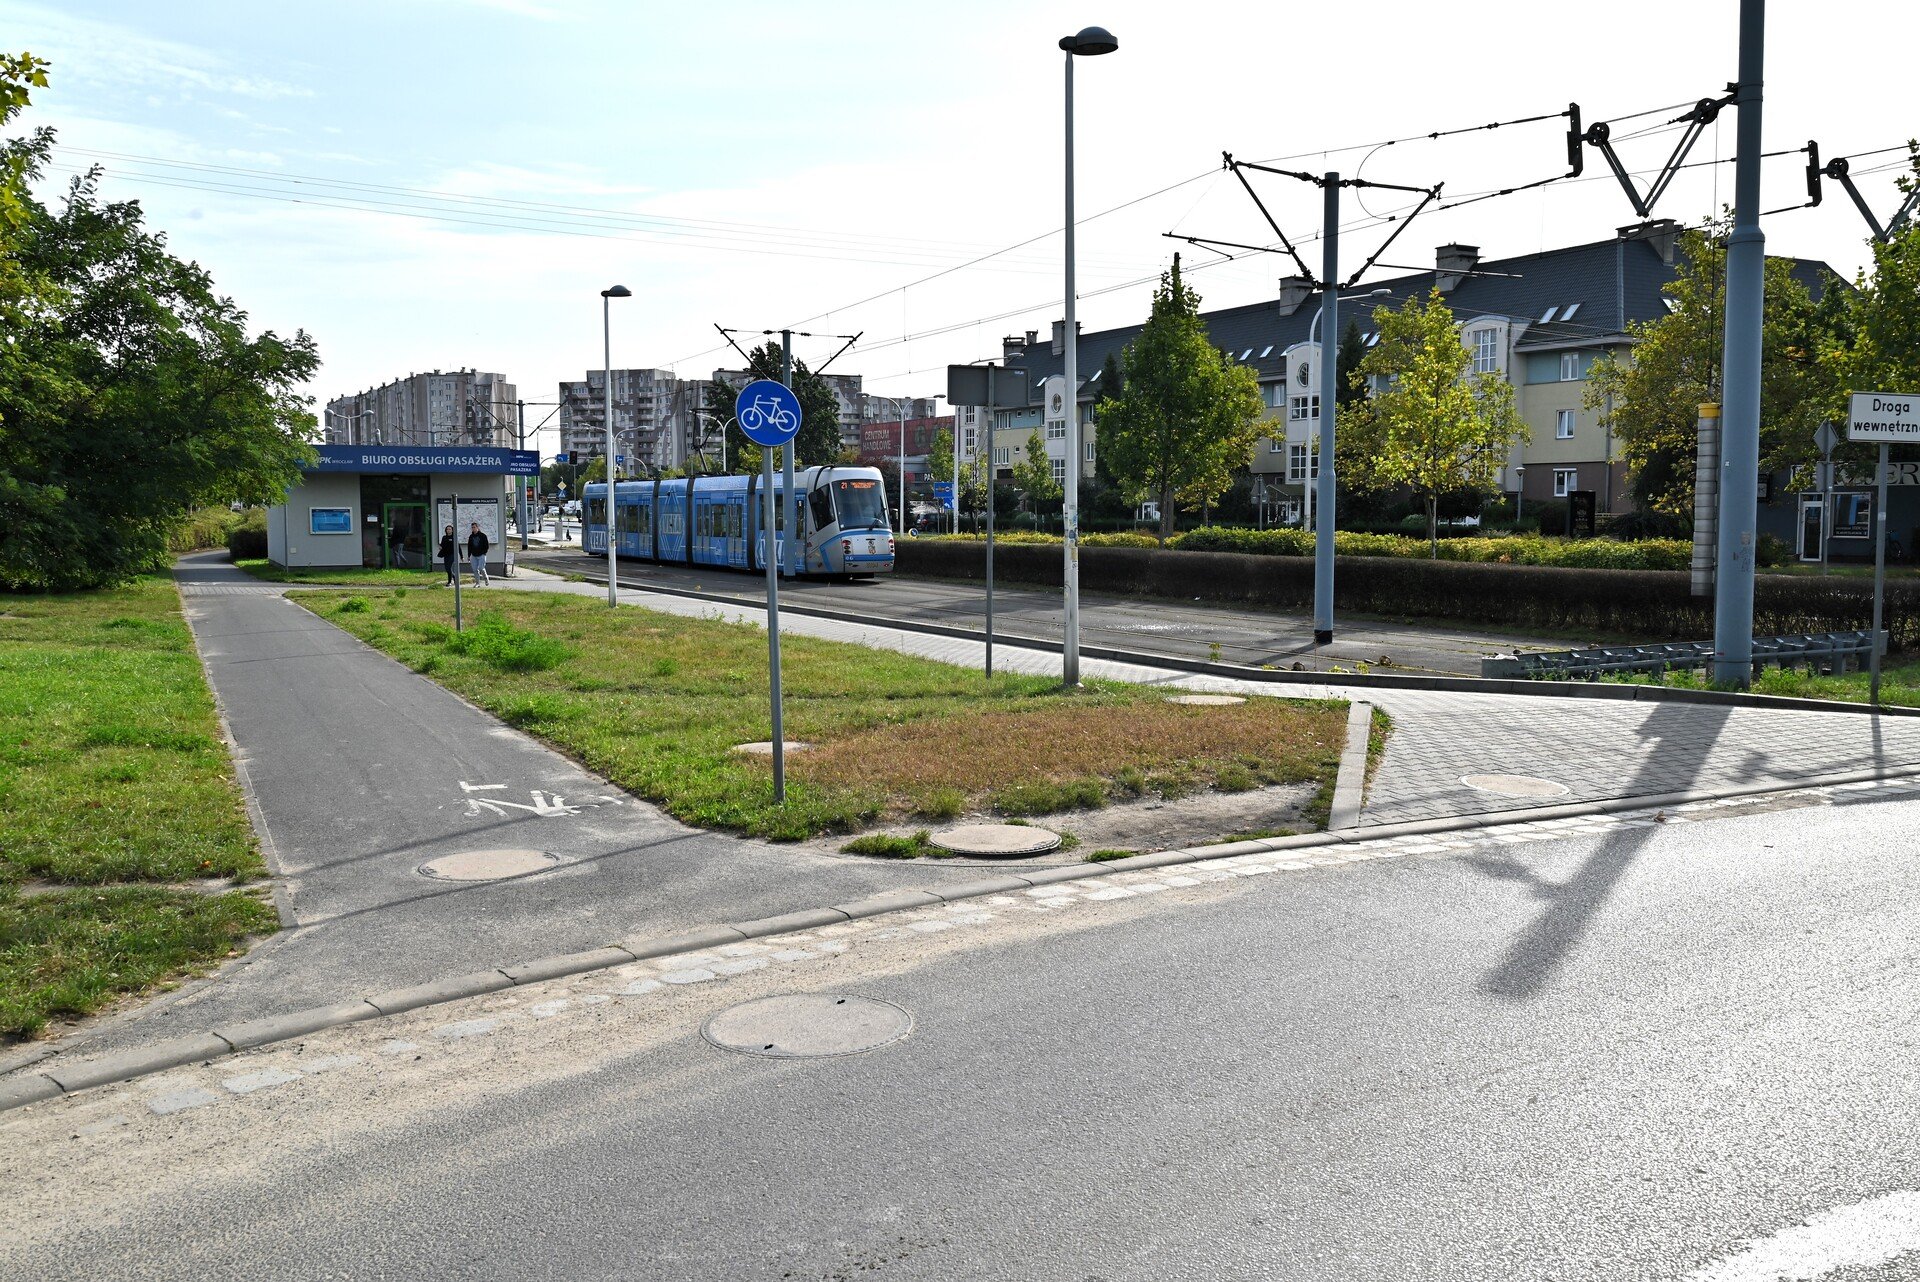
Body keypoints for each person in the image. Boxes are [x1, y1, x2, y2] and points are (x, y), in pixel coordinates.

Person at [467, 521, 490, 586]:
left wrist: (484, 552)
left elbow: (487, 546)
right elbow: (469, 547)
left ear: (477, 527)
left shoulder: (483, 536)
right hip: (473, 555)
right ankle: (477, 583)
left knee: (481, 568)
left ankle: (486, 578)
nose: (473, 529)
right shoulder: (471, 537)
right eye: (472, 527)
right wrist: (469, 555)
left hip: (481, 555)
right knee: (475, 569)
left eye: (474, 527)